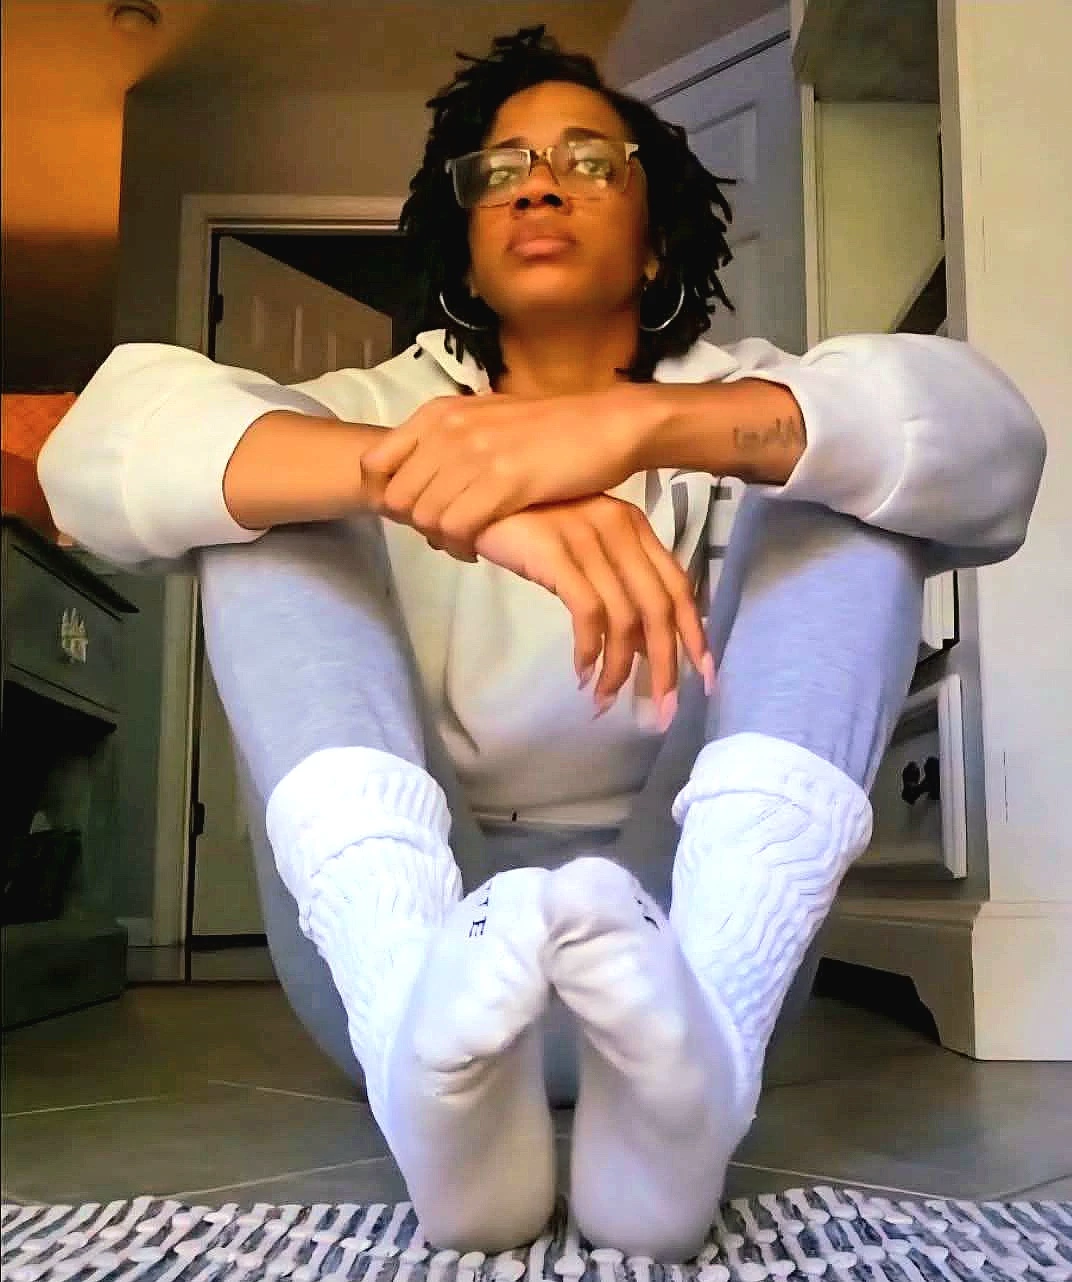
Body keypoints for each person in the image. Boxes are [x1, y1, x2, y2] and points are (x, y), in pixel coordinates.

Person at [39, 24, 1044, 1261]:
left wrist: (646, 427)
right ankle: (429, 1081)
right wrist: (443, 487)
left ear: (656, 235)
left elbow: (993, 450)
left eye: (588, 159)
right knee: (267, 485)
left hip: (703, 952)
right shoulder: (370, 407)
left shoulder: (733, 388)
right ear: (465, 238)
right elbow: (90, 457)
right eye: (502, 168)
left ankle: (690, 1099)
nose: (539, 185)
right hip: (407, 954)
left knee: (836, 472)